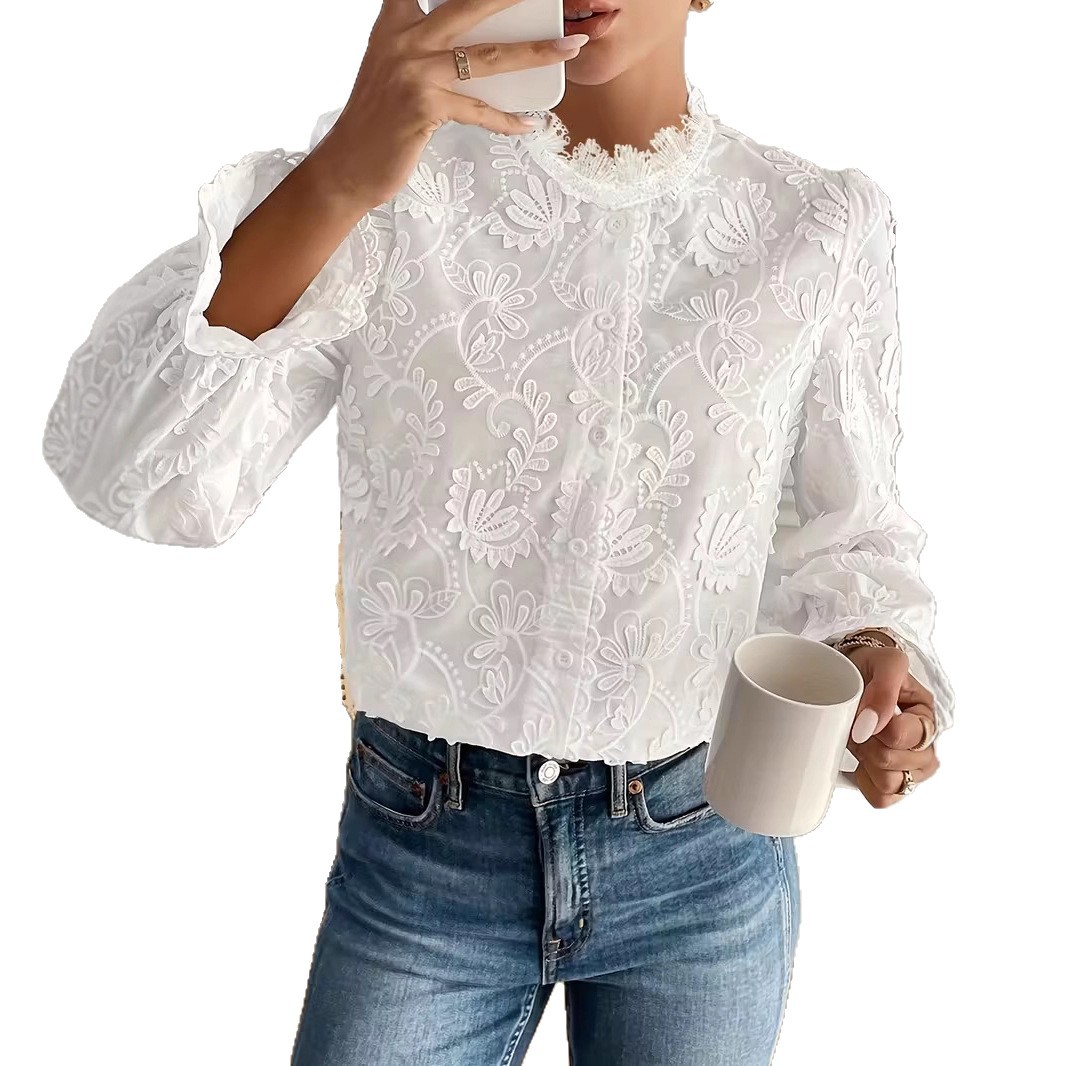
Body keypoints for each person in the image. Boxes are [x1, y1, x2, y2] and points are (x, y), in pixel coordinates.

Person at [40, 1, 956, 1062]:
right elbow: (137, 474)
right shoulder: (397, 181)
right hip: (425, 849)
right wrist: (335, 179)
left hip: (703, 853)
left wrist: (876, 660)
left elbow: (850, 532)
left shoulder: (819, 225)